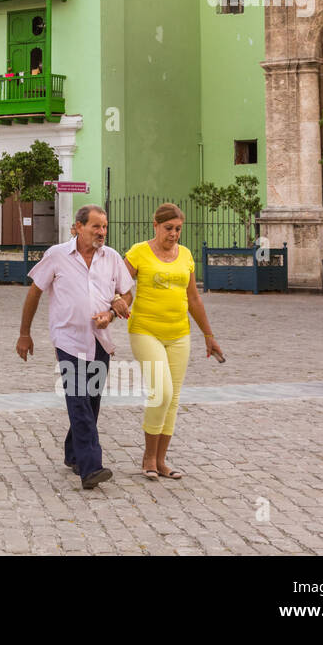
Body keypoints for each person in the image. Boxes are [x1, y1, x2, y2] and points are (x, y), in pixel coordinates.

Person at [17, 205, 134, 490]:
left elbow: (127, 294)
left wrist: (114, 312)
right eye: (95, 226)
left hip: (100, 341)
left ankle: (73, 453)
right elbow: (35, 292)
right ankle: (91, 467)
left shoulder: (112, 258)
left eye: (104, 226)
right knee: (79, 400)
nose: (102, 232)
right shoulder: (57, 255)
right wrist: (24, 333)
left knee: (91, 402)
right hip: (67, 339)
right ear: (77, 228)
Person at [123, 203, 224, 481]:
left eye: (178, 229)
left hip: (179, 334)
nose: (174, 234)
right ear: (155, 225)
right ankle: (148, 457)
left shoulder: (186, 255)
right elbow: (117, 282)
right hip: (145, 330)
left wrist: (208, 335)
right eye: (169, 228)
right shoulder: (138, 252)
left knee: (173, 399)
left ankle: (161, 460)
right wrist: (116, 302)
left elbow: (194, 299)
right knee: (162, 392)